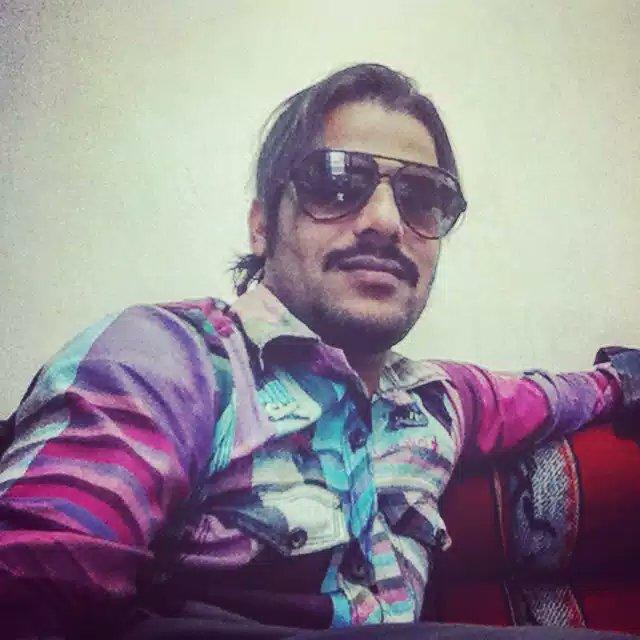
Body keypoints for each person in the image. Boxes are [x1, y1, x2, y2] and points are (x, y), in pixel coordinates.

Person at [0, 63, 637, 639]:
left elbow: (558, 394)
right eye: (336, 182)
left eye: (422, 197)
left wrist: (621, 378)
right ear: (262, 224)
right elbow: (36, 581)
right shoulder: (172, 359)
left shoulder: (438, 402)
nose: (386, 221)